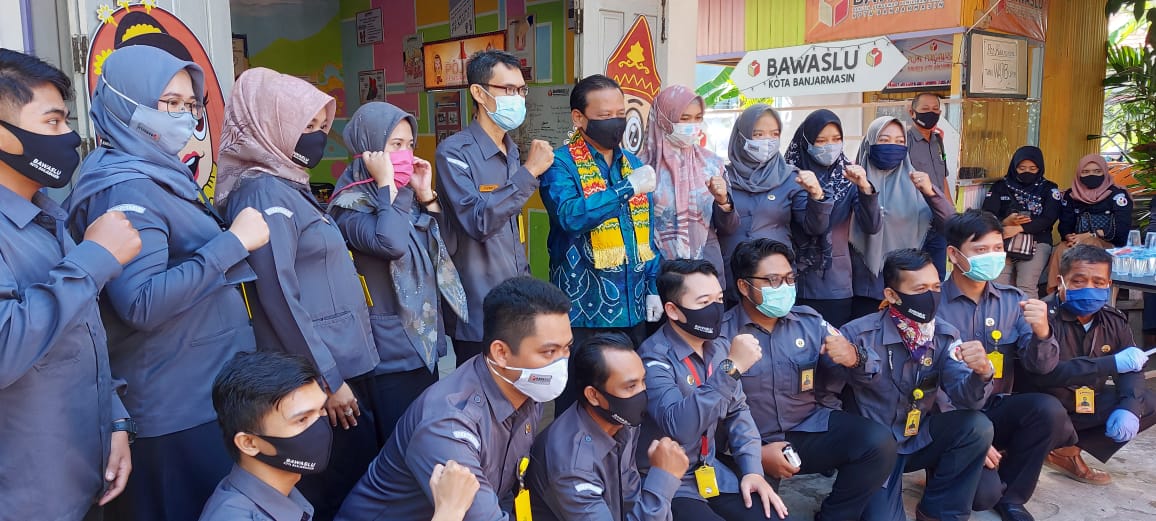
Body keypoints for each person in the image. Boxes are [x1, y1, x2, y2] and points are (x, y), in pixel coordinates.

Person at [64, 45, 268, 521]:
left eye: (187, 104)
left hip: (197, 390)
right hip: (172, 405)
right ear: (121, 101)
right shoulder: (125, 185)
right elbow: (142, 301)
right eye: (166, 103)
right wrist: (232, 243)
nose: (180, 116)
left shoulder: (155, 170)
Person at [215, 68, 381, 520]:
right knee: (336, 491)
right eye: (304, 126)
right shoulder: (262, 188)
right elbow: (278, 295)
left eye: (321, 128)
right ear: (269, 125)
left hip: (335, 365)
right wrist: (328, 380)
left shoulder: (287, 184)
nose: (316, 138)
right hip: (318, 378)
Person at [0, 47, 138, 521]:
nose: (71, 137)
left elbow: (80, 334)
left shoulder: (49, 214)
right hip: (27, 497)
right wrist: (94, 259)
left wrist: (114, 421)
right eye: (53, 122)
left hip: (83, 475)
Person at [336, 276, 573, 521]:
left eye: (567, 348)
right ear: (501, 353)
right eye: (549, 352)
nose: (560, 363)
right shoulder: (448, 424)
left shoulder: (527, 387)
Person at [726, 239, 895, 521]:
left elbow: (867, 371)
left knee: (877, 443)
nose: (784, 287)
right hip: (749, 442)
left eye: (789, 279)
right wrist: (755, 453)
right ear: (745, 286)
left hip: (807, 429)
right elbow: (713, 408)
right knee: (761, 513)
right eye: (773, 280)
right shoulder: (723, 335)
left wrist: (855, 356)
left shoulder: (810, 321)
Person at [328, 101, 467, 441]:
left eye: (408, 144)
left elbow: (446, 247)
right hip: (388, 355)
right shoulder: (349, 206)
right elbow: (390, 243)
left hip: (422, 346)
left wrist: (425, 194)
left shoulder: (404, 200)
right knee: (399, 447)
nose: (405, 153)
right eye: (394, 145)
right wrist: (388, 185)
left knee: (421, 439)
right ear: (368, 150)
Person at [935, 210, 1075, 521]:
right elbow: (922, 379)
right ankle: (947, 471)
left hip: (994, 407)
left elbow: (1042, 367)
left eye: (998, 248)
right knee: (981, 498)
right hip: (946, 417)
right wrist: (971, 434)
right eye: (981, 250)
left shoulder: (1013, 301)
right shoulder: (933, 305)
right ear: (954, 255)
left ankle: (1012, 497)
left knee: (1046, 409)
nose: (993, 257)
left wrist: (1042, 333)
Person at [835, 249, 994, 521]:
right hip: (876, 448)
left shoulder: (945, 334)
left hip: (918, 437)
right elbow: (828, 398)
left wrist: (982, 372)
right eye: (920, 288)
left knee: (977, 426)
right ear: (892, 295)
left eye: (935, 287)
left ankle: (939, 512)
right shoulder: (857, 335)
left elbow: (966, 398)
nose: (931, 296)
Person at [541, 74, 662, 416]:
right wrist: (625, 190)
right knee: (578, 398)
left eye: (619, 113)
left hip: (633, 305)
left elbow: (646, 238)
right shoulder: (559, 165)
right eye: (605, 115)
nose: (616, 122)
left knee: (625, 396)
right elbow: (569, 216)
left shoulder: (633, 165)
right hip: (583, 311)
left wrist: (653, 286)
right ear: (579, 118)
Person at [638, 259, 790, 521]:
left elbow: (738, 411)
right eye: (703, 302)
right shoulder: (653, 359)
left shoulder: (717, 346)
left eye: (719, 299)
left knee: (772, 516)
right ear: (673, 311)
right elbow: (680, 426)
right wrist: (732, 367)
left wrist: (752, 469)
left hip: (710, 471)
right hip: (668, 482)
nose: (716, 309)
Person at [434, 50, 554, 366]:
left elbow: (515, 234)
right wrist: (529, 174)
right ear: (479, 93)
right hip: (477, 311)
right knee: (480, 402)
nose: (518, 98)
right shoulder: (454, 153)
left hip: (516, 305)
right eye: (509, 90)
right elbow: (479, 221)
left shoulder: (513, 152)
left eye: (521, 90)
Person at [1020, 245, 1156, 485]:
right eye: (1079, 281)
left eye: (1098, 282)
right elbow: (1044, 375)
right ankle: (1028, 447)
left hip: (1085, 403)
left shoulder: (1113, 319)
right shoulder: (1041, 316)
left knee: (1146, 400)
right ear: (1061, 281)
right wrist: (1109, 363)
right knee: (1046, 408)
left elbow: (1132, 369)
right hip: (1045, 406)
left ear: (1109, 283)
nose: (1089, 289)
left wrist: (1130, 408)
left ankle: (1066, 453)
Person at [526, 333, 689, 521]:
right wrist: (663, 478)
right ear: (594, 395)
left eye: (643, 381)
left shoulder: (621, 421)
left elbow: (629, 496)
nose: (642, 394)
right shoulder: (572, 467)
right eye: (630, 386)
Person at [199, 351, 330, 521]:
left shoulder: (283, 490)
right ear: (249, 443)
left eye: (321, 409)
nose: (320, 426)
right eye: (302, 419)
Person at [849, 116, 955, 318]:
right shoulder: (851, 181)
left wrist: (931, 193)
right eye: (884, 140)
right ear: (869, 143)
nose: (892, 146)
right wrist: (865, 188)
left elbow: (951, 226)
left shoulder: (916, 184)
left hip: (910, 289)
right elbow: (870, 227)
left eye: (900, 142)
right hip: (865, 290)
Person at [784, 109, 879, 328]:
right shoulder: (792, 176)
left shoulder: (848, 177)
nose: (830, 146)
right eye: (821, 140)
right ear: (806, 142)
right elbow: (815, 226)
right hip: (795, 280)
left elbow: (872, 225)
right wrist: (816, 194)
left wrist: (865, 188)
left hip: (836, 283)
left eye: (836, 139)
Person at [640, 85, 738, 288]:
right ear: (663, 119)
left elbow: (729, 227)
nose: (693, 125)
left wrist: (723, 201)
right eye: (684, 119)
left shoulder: (712, 164)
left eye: (697, 118)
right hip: (658, 274)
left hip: (706, 271)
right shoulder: (640, 168)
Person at [720, 105, 831, 281]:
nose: (768, 141)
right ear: (741, 137)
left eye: (774, 134)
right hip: (732, 272)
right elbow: (719, 227)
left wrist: (817, 196)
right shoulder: (722, 177)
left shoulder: (790, 177)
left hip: (776, 276)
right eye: (758, 134)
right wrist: (722, 201)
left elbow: (814, 227)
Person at [981, 146, 1061, 298]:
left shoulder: (1049, 189)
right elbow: (987, 214)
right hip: (1003, 240)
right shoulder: (1001, 186)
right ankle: (1000, 320)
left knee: (1027, 287)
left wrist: (1020, 228)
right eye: (1022, 168)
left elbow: (1049, 218)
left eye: (1032, 168)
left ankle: (1027, 322)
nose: (1027, 172)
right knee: (997, 286)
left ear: (1040, 168)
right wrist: (1005, 221)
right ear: (1014, 167)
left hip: (1037, 241)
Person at [1048, 154, 1132, 293]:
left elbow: (1121, 231)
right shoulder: (1071, 195)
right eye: (1085, 172)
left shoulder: (1117, 195)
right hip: (1077, 242)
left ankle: (1093, 290)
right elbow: (1065, 224)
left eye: (1097, 171)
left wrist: (1090, 235)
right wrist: (1069, 236)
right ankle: (1056, 292)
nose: (1091, 175)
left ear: (1104, 172)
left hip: (1109, 244)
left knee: (1092, 245)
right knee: (1061, 248)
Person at [906, 93, 951, 279]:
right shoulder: (904, 140)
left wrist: (950, 211)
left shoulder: (938, 141)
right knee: (914, 273)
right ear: (912, 112)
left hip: (939, 221)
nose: (931, 114)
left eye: (935, 110)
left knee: (938, 274)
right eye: (925, 110)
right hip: (914, 221)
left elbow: (943, 178)